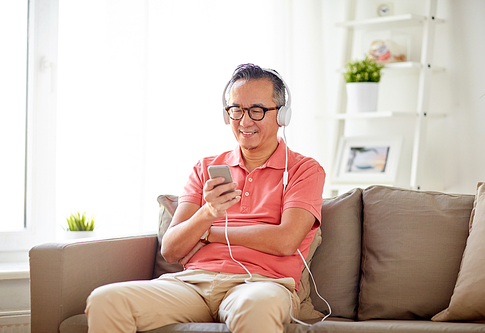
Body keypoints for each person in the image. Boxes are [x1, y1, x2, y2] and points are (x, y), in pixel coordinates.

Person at [85, 63, 326, 333]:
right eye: (236, 110)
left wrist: (209, 234)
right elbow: (172, 249)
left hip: (260, 284)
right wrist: (209, 211)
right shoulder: (205, 168)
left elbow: (285, 241)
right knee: (105, 300)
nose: (244, 122)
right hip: (193, 284)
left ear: (282, 115)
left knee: (257, 305)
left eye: (257, 111)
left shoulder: (304, 170)